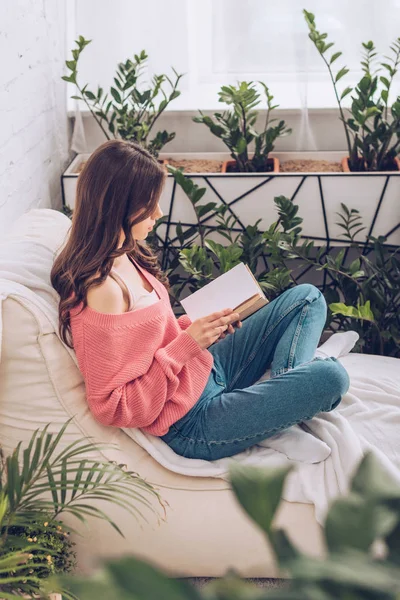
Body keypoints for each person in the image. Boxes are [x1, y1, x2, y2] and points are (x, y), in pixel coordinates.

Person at [51, 139, 350, 462]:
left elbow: (150, 340)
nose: (159, 213)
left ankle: (280, 407)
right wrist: (186, 346)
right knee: (333, 377)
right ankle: (282, 408)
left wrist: (197, 329)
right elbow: (113, 406)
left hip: (203, 369)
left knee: (306, 299)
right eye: (149, 204)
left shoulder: (125, 252)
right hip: (191, 422)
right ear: (118, 206)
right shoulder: (103, 291)